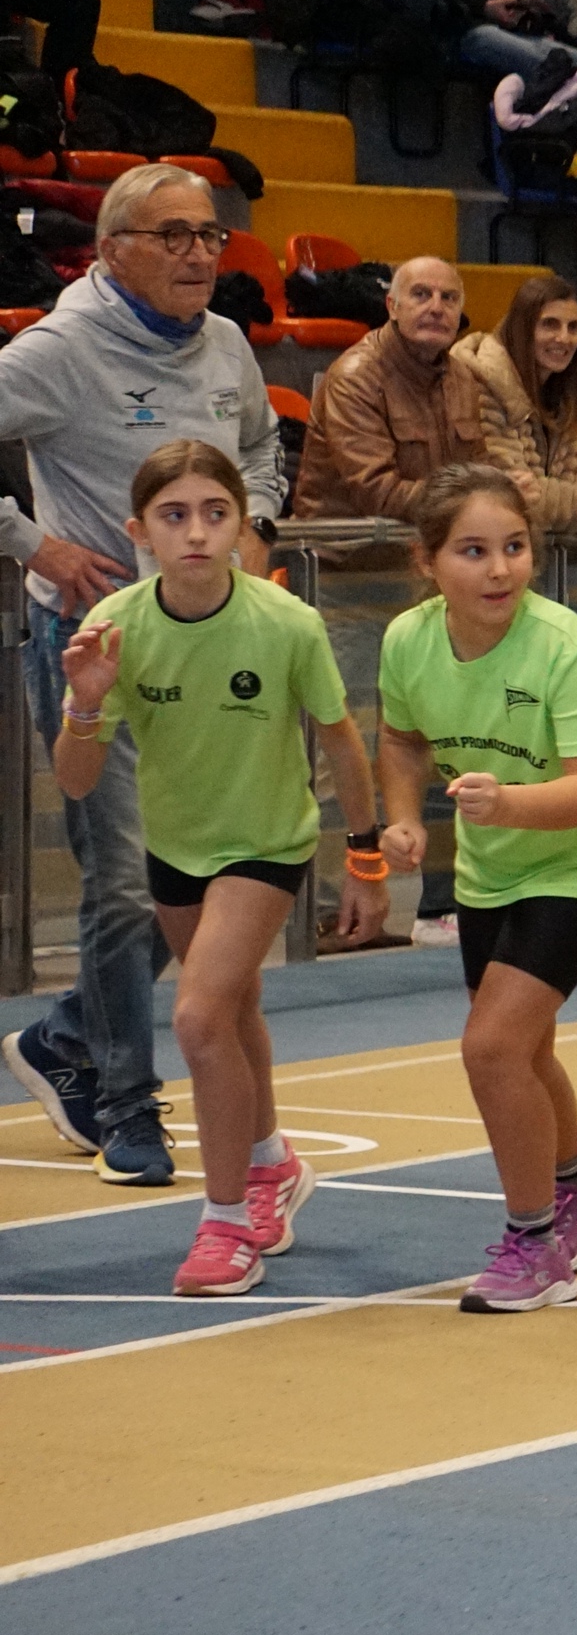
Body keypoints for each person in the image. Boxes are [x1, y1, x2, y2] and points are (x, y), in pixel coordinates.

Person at [0, 166, 285, 1187]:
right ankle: (126, 1102)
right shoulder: (60, 350)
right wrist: (31, 542)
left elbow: (262, 447)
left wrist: (255, 522)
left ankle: (67, 1035)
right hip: (96, 647)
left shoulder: (228, 344)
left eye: (209, 235)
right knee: (124, 882)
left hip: (208, 645)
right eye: (173, 236)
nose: (199, 254)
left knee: (194, 876)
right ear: (112, 249)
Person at [51, 443, 387, 1293]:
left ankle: (226, 1223)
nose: (196, 533)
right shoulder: (116, 628)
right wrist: (87, 703)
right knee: (234, 1012)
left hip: (267, 844)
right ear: (139, 532)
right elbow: (76, 780)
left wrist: (366, 854)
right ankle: (271, 1162)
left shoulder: (286, 624)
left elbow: (341, 738)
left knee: (199, 1020)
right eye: (174, 516)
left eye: (215, 513)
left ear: (242, 524)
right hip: (176, 848)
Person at [378, 466, 577, 1316]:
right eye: (473, 551)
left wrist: (506, 804)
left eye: (515, 547)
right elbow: (401, 737)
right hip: (491, 870)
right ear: (427, 561)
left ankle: (536, 1246)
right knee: (523, 1052)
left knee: (490, 1048)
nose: (500, 569)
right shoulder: (408, 641)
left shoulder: (565, 646)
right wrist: (402, 817)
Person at [455, 273, 577, 537]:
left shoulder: (565, 389)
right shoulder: (484, 384)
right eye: (550, 325)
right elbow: (515, 494)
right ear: (522, 328)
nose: (563, 338)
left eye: (573, 327)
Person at [290, 258, 487, 520]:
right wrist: (472, 498)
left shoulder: (461, 377)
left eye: (449, 298)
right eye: (421, 294)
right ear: (392, 307)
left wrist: (504, 487)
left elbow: (480, 466)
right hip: (348, 540)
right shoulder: (355, 378)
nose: (437, 308)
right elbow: (379, 495)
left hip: (432, 532)